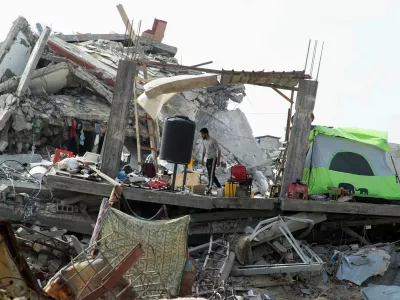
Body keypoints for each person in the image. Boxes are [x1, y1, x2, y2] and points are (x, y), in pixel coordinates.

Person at [200, 128, 222, 192]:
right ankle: (219, 186)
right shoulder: (204, 140)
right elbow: (204, 150)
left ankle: (210, 186)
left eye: (202, 134)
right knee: (210, 173)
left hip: (213, 159)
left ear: (206, 134)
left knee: (211, 174)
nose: (201, 135)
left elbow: (219, 150)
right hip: (208, 159)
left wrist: (218, 160)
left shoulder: (213, 140)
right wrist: (202, 160)